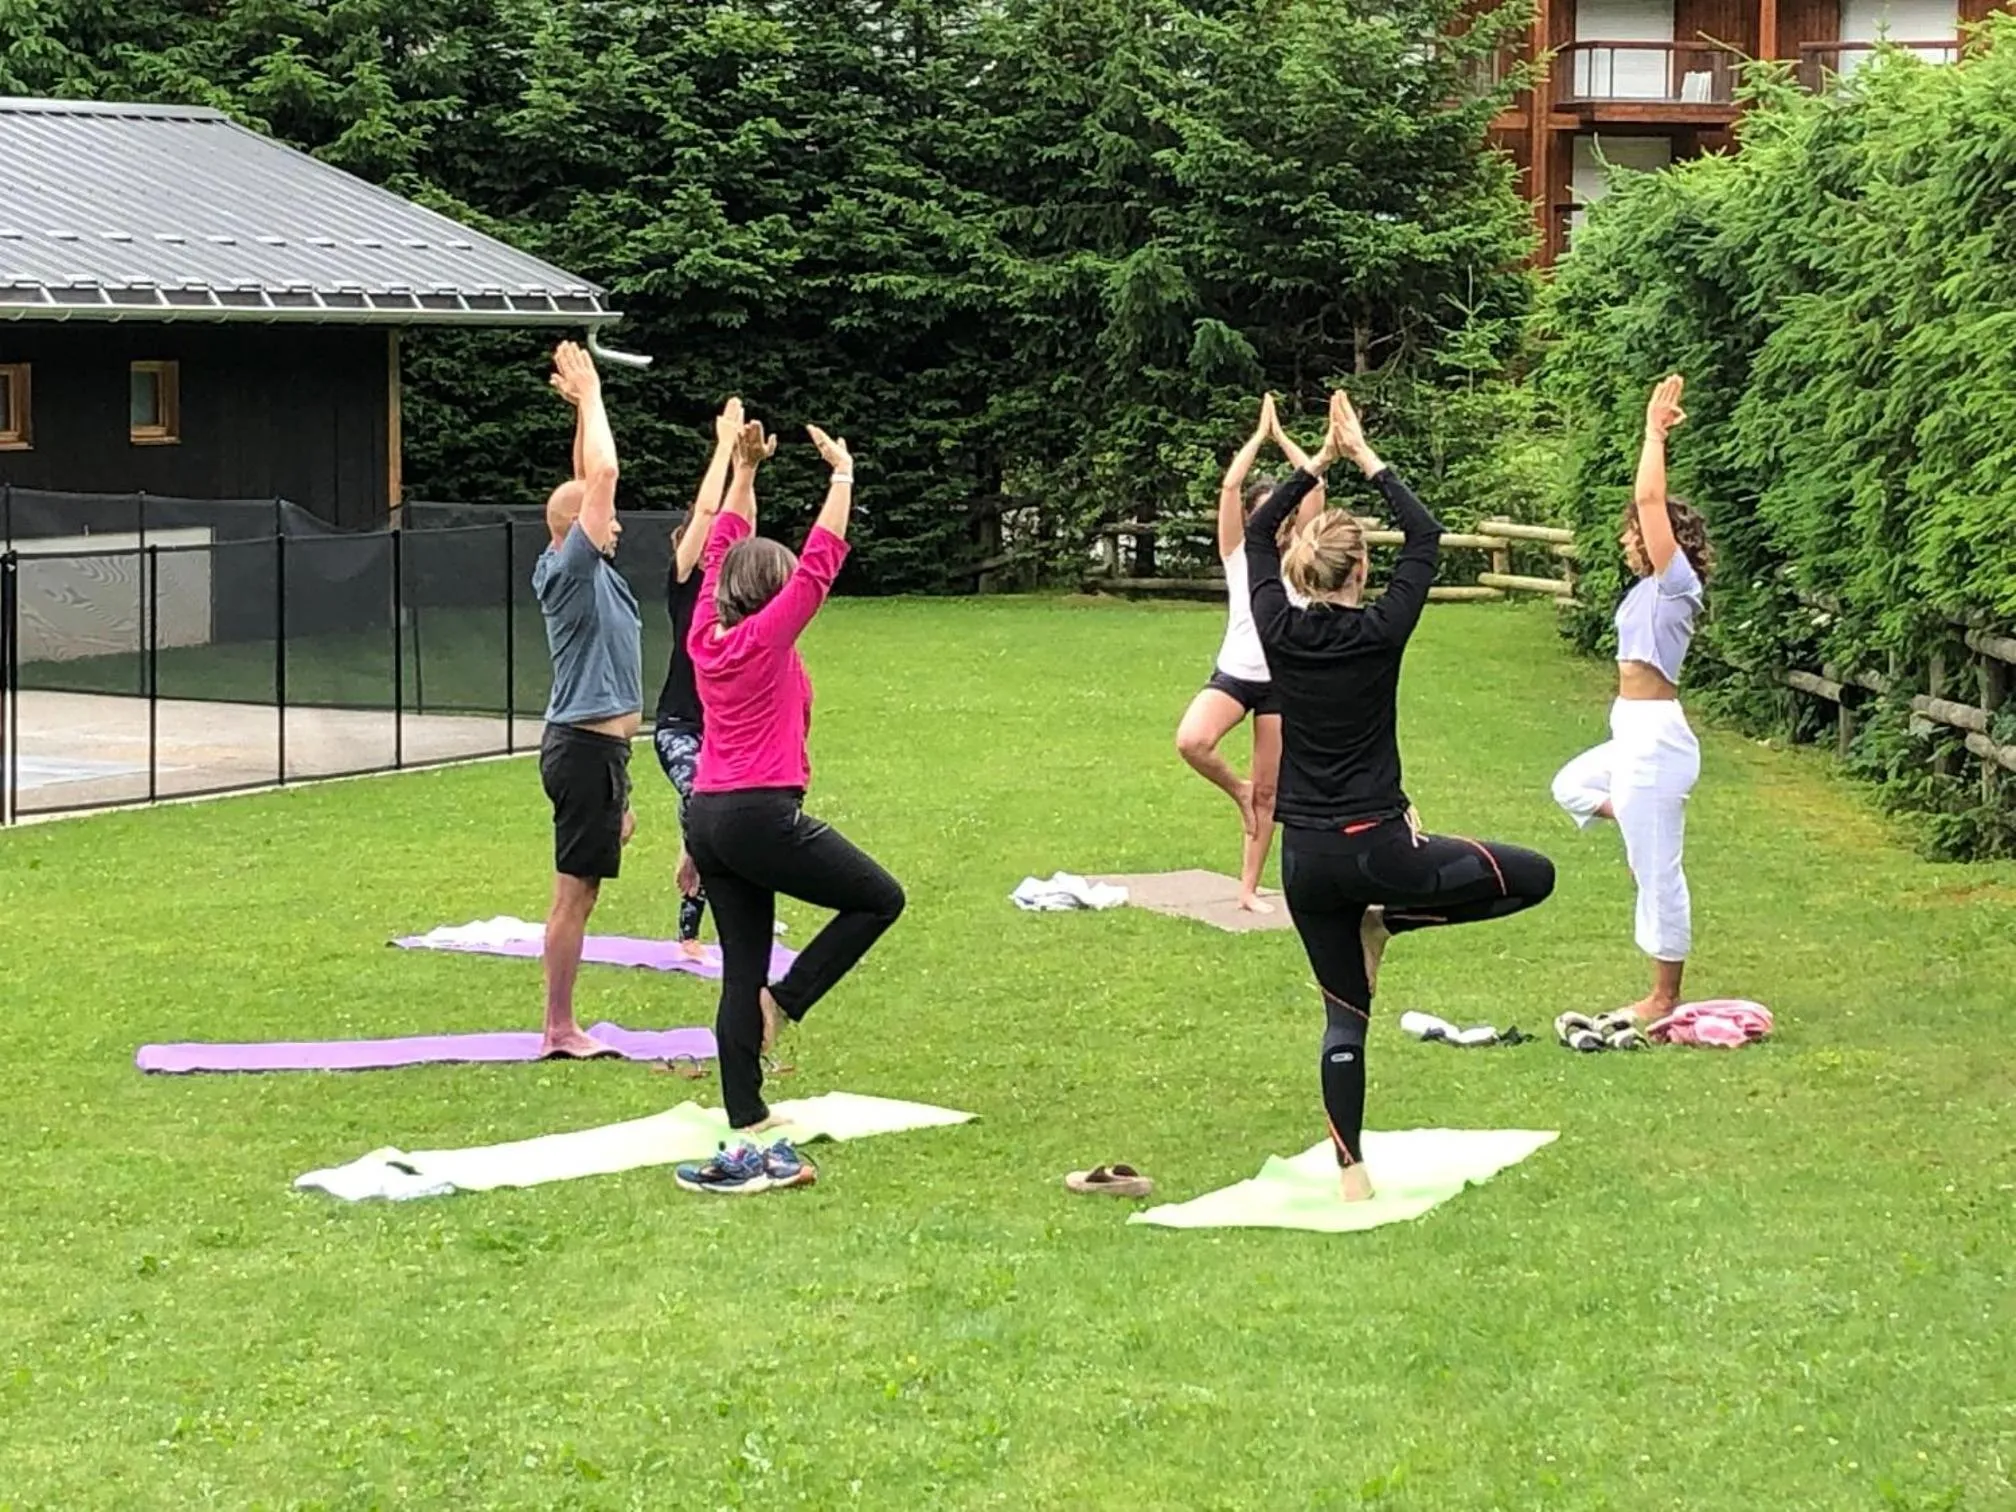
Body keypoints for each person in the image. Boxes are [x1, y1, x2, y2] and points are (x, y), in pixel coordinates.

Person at [1251, 391, 1556, 1202]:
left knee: (1344, 1019)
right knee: (1534, 875)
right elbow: (1425, 533)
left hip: (1307, 863)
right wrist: (1366, 458)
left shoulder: (1276, 626)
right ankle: (1395, 921)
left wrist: (1312, 464)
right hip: (1384, 852)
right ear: (1361, 572)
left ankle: (1351, 1173)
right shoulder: (1383, 628)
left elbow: (1253, 535)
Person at [673, 417, 907, 1193]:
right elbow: (819, 565)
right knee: (878, 899)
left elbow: (719, 549)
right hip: (757, 814)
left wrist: (745, 472)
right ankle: (788, 1000)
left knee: (740, 965)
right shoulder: (768, 638)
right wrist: (840, 476)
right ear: (770, 596)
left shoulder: (707, 635)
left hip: (710, 816)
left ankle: (746, 1113)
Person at [1550, 375, 1709, 1025]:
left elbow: (1649, 497)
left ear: (1659, 539)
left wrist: (1653, 432)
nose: (1626, 538)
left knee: (1658, 875)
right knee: (1570, 786)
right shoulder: (1645, 589)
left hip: (1657, 737)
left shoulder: (1678, 585)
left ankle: (1663, 996)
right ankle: (1641, 824)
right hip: (1633, 736)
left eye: (1634, 532)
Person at [533, 340, 642, 1059]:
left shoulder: (580, 562)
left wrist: (579, 410)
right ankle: (559, 1029)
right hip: (582, 749)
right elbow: (600, 474)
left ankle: (561, 1023)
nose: (619, 523)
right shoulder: (573, 570)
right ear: (580, 532)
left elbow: (585, 478)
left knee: (590, 879)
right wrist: (596, 390)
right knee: (576, 894)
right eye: (606, 516)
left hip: (598, 750)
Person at [1175, 395, 1326, 912]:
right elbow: (1231, 486)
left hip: (1284, 682)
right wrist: (1258, 438)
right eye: (1264, 513)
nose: (1276, 519)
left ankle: (1246, 890)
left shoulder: (1305, 555)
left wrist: (1284, 439)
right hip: (1236, 673)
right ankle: (1235, 791)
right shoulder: (1238, 554)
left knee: (1270, 793)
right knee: (1192, 741)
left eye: (1280, 511)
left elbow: (1316, 484)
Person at [652, 397, 745, 961]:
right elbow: (709, 515)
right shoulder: (684, 579)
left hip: (724, 730)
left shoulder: (728, 594)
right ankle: (688, 936)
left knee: (725, 824)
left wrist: (747, 470)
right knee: (700, 800)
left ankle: (714, 920)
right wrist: (724, 448)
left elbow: (736, 521)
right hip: (679, 727)